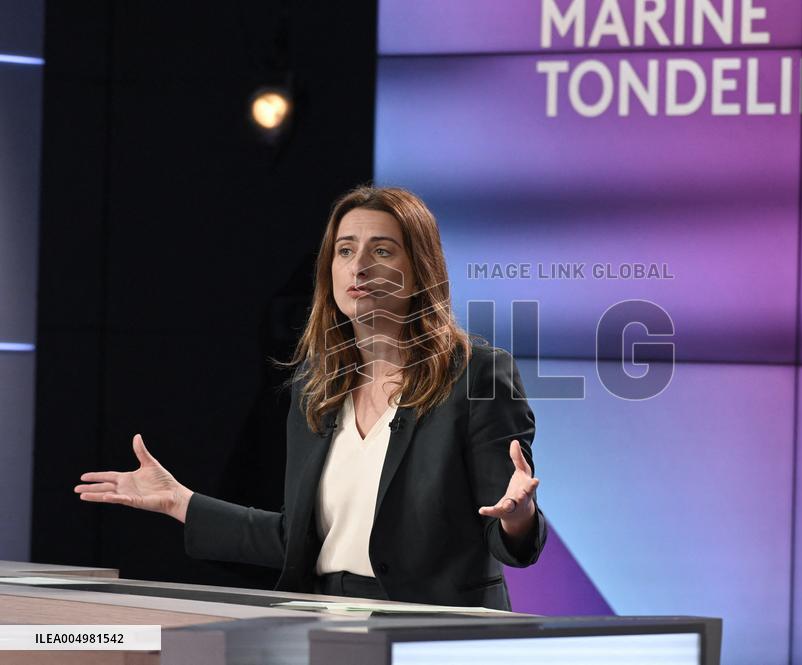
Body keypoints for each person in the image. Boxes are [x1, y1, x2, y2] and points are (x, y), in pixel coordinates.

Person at [75, 185, 547, 611]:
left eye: (382, 250)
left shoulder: (477, 374)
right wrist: (181, 502)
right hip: (323, 619)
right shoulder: (316, 384)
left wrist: (519, 518)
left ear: (419, 269)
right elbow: (297, 540)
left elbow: (508, 537)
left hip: (434, 627)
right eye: (345, 250)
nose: (359, 266)